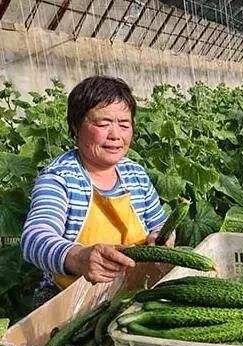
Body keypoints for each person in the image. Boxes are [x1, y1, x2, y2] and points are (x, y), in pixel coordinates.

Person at [21, 76, 173, 306]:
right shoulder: (59, 178)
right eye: (103, 124)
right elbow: (35, 237)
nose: (115, 135)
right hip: (71, 301)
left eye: (124, 124)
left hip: (133, 292)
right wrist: (78, 257)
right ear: (75, 126)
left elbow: (159, 224)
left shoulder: (135, 174)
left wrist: (162, 237)